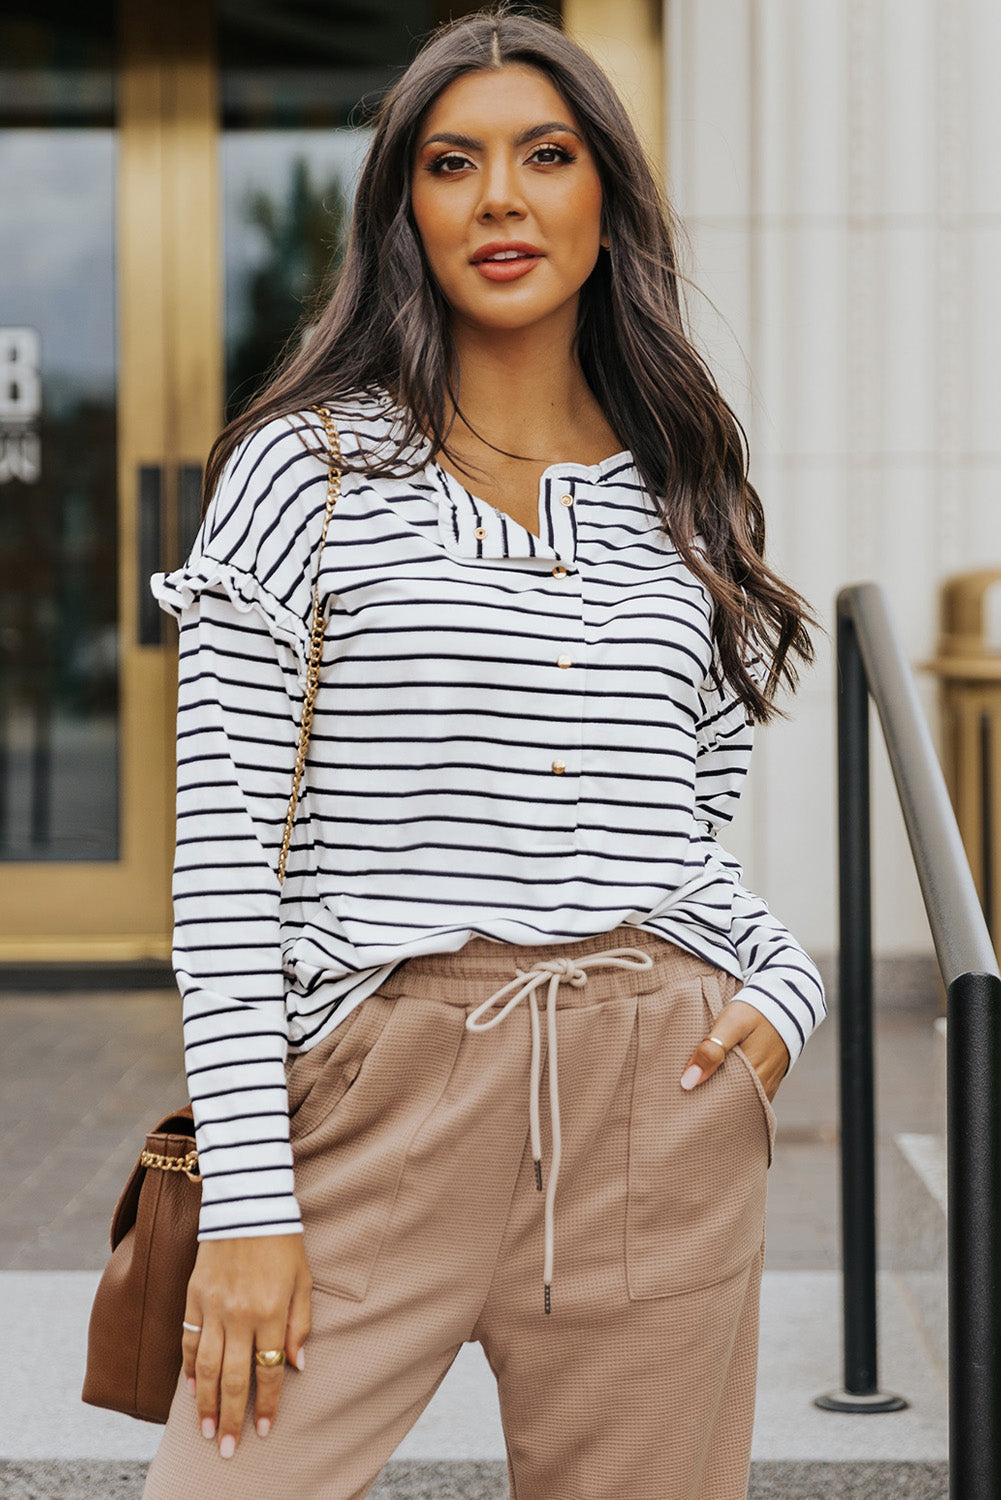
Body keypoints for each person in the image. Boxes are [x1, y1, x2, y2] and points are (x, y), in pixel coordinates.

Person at [142, 9, 825, 1499]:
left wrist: (787, 983)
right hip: (381, 1089)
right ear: (405, 210)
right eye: (452, 164)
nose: (499, 199)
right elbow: (219, 861)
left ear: (606, 199)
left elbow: (680, 840)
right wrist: (252, 1209)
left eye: (544, 156)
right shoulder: (305, 469)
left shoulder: (688, 495)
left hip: (663, 1091)